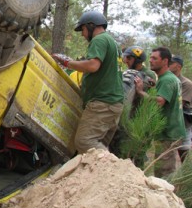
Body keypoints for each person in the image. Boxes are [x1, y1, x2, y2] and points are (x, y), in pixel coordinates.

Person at [52, 10, 124, 154]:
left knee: (85, 141)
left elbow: (92, 66)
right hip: (113, 103)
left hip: (102, 103)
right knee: (99, 145)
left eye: (83, 29)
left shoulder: (100, 40)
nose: (83, 34)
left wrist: (68, 63)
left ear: (91, 26)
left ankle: (114, 168)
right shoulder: (112, 43)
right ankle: (105, 174)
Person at [135, 47, 186, 177]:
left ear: (165, 61)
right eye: (150, 57)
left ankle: (167, 196)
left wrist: (141, 92)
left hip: (168, 133)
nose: (150, 60)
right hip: (171, 131)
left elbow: (159, 102)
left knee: (164, 171)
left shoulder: (167, 80)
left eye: (154, 58)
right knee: (164, 168)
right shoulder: (168, 78)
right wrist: (154, 86)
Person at [169, 55, 192, 162]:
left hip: (183, 121)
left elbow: (179, 104)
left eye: (171, 63)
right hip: (171, 122)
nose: (168, 64)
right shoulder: (168, 81)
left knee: (184, 150)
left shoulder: (186, 84)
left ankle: (187, 173)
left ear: (178, 66)